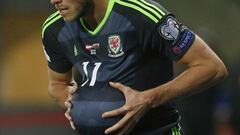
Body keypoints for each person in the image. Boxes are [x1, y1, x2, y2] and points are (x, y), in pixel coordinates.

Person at [41, 0, 228, 134]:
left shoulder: (142, 16)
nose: (54, 1)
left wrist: (148, 99)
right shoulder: (54, 29)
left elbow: (212, 67)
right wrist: (75, 105)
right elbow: (57, 84)